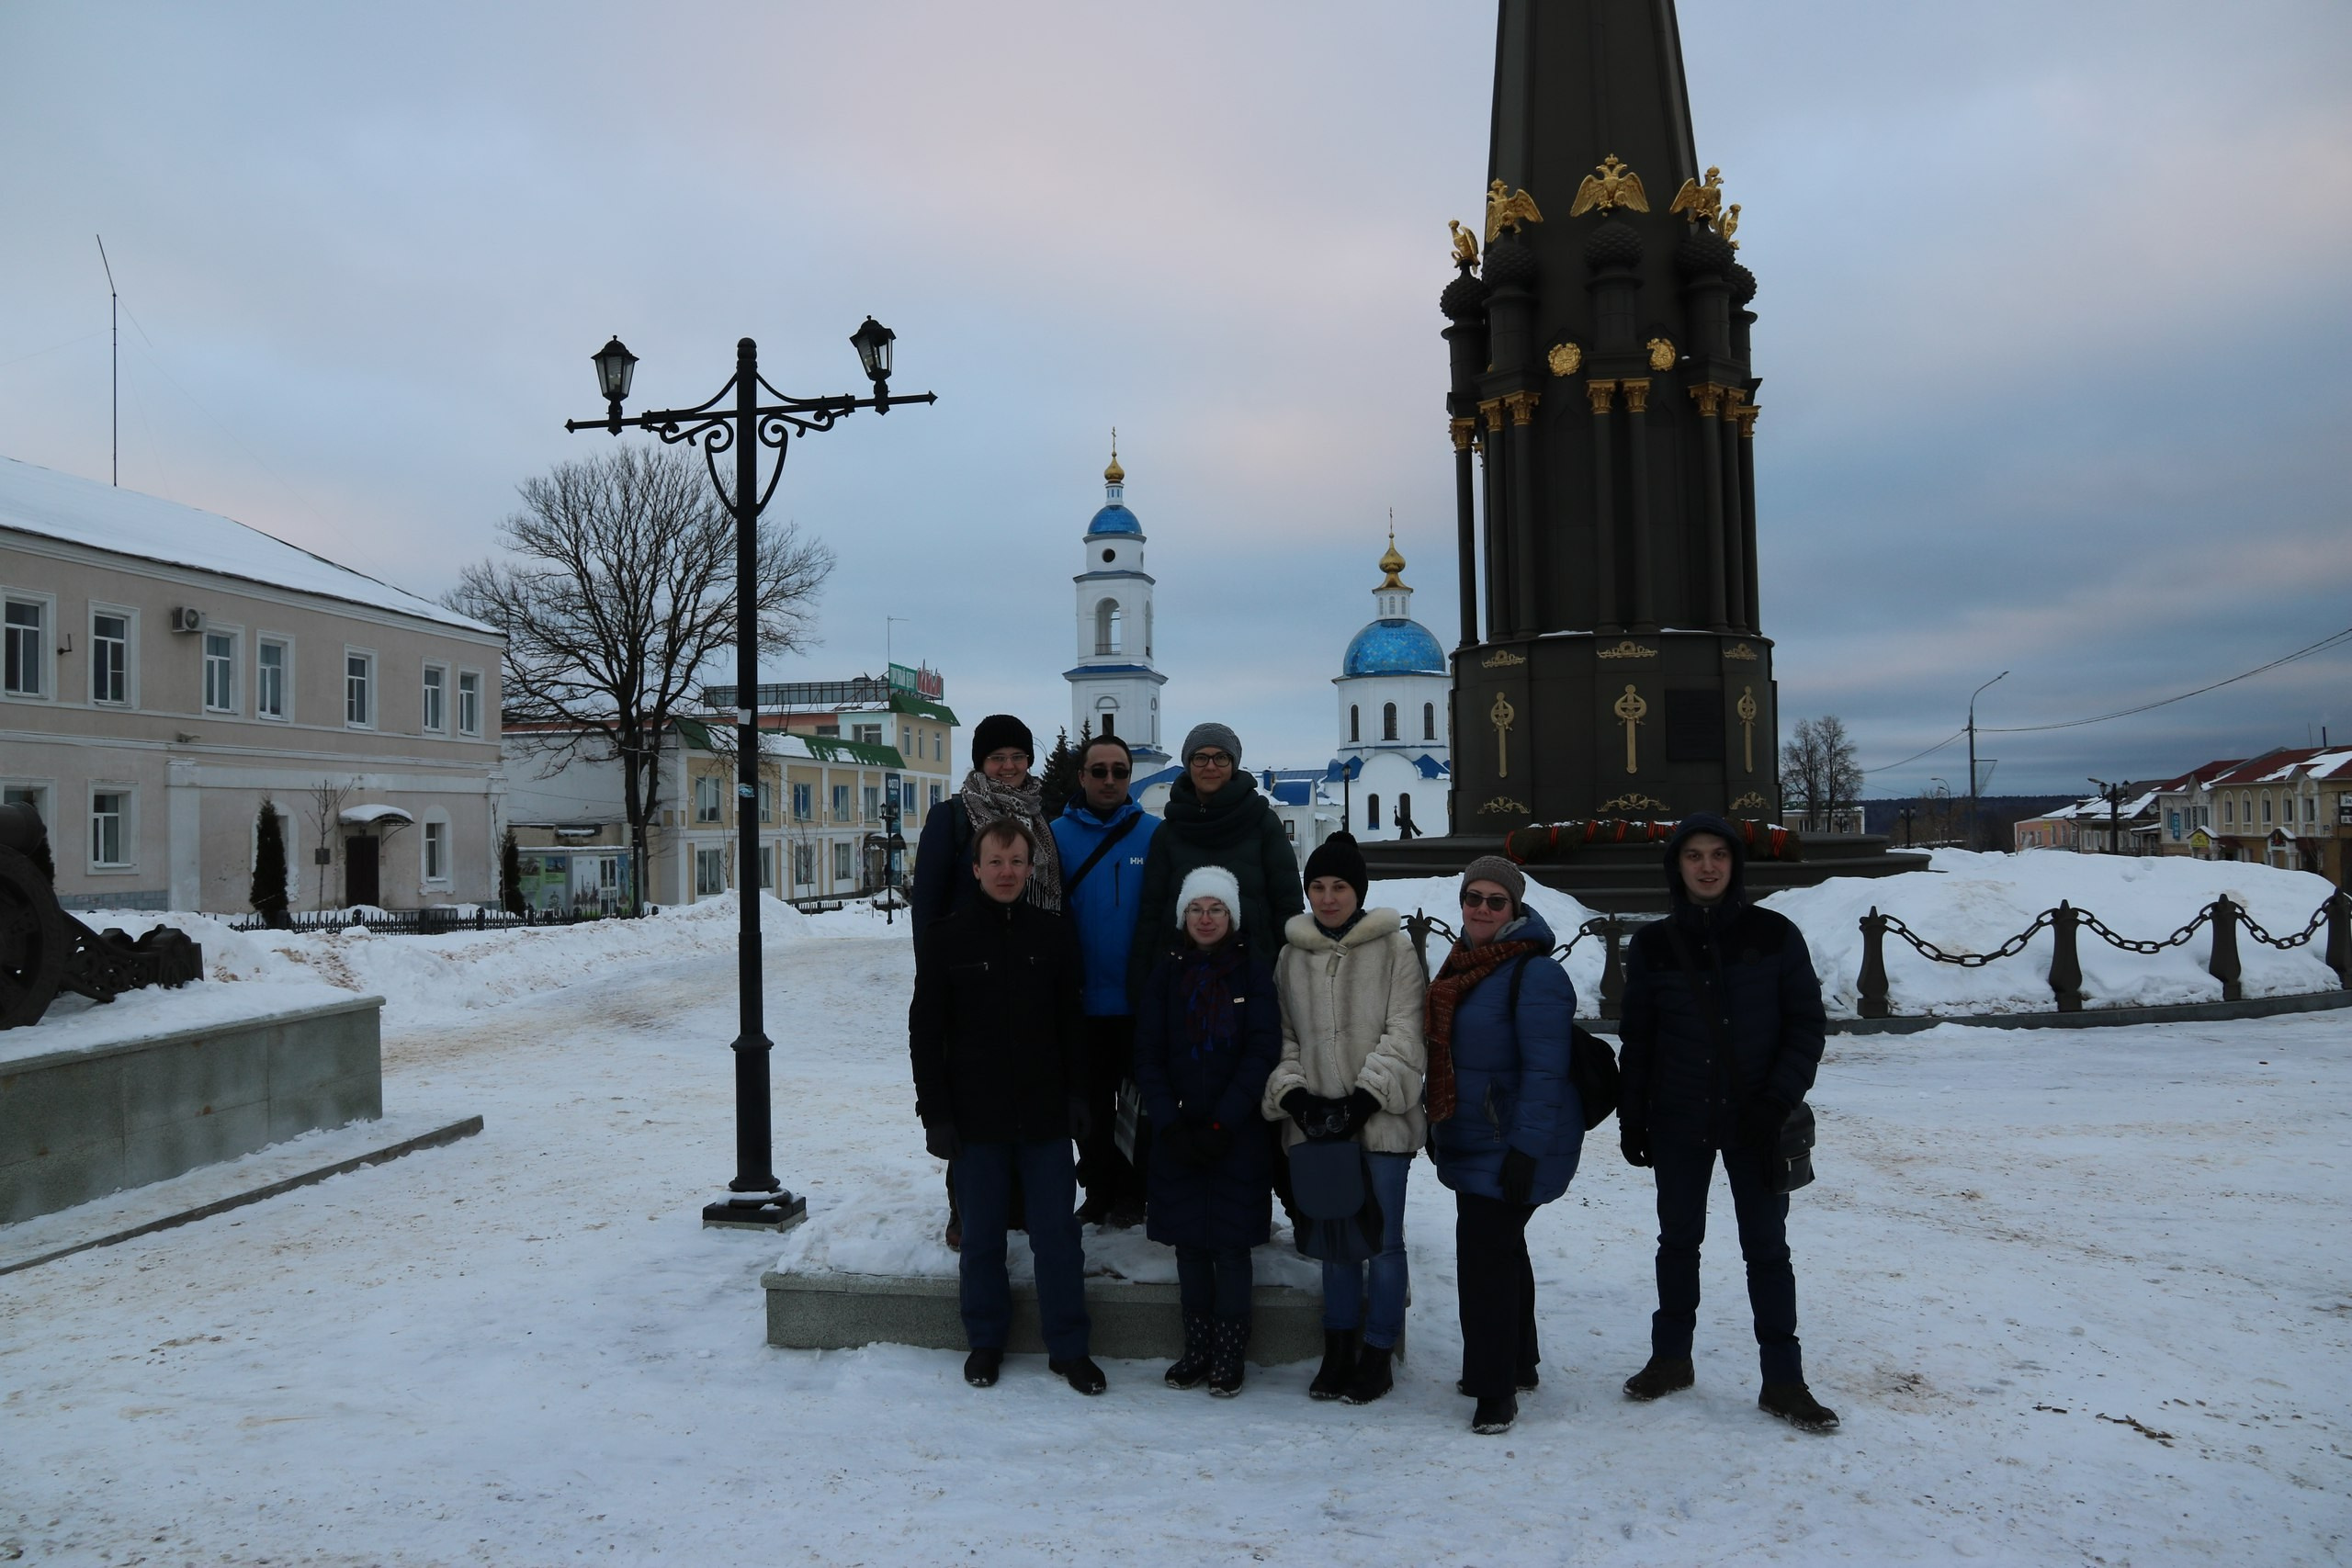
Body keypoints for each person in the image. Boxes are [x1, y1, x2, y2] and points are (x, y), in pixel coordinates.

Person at [1617, 813, 1837, 1433]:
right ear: (1677, 865)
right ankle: (1670, 1357)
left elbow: (1805, 1026)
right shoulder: (1654, 946)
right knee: (1677, 1241)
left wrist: (1776, 1101)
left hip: (1756, 1122)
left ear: (1735, 864)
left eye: (1718, 854)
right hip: (1680, 1118)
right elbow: (1640, 1039)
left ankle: (1784, 1379)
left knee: (1767, 1249)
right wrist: (1634, 1116)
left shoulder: (1774, 936)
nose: (1707, 866)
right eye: (1694, 855)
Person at [907, 818, 1104, 1395]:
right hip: (976, 1121)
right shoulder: (947, 937)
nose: (1006, 872)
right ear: (975, 869)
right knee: (984, 1238)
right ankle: (985, 1342)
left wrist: (1078, 1097)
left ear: (1031, 867)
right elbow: (925, 1034)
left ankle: (1068, 1348)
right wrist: (936, 1115)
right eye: (995, 861)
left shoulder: (1053, 933)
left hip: (1045, 1117)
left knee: (1057, 1239)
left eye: (1017, 861)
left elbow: (1073, 1024)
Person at [1263, 831, 1426, 1404]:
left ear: (1359, 891)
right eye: (1318, 887)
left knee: (1383, 1242)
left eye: (1339, 887)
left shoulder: (1394, 949)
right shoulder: (1292, 954)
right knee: (1335, 1242)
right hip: (1317, 1127)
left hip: (1380, 1123)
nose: (1328, 898)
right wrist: (1299, 1098)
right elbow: (1281, 1036)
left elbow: (1406, 1032)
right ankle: (1337, 1350)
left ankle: (1378, 1351)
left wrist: (1363, 1099)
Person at [1424, 856, 1582, 1436]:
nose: (1482, 909)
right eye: (1473, 898)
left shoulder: (1532, 972)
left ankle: (1493, 1390)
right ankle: (1518, 1363)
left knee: (1484, 1258)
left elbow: (1547, 1071)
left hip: (1507, 1139)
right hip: (1472, 1133)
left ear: (1516, 908)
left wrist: (1526, 1149)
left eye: (1496, 901)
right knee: (1503, 1248)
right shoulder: (1467, 962)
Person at [910, 714, 1062, 1249]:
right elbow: (925, 900)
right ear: (980, 763)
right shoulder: (952, 817)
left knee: (1021, 1093)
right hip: (964, 976)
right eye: (997, 758)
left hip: (1027, 967)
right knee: (970, 1099)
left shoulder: (1045, 815)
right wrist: (933, 971)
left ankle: (1018, 1205)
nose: (1009, 767)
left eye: (1018, 757)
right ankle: (964, 1209)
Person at [1133, 866, 1283, 1397]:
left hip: (1234, 1134)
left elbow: (1264, 1049)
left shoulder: (1252, 972)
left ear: (1231, 916)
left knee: (1230, 1247)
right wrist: (1169, 1123)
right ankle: (1196, 1347)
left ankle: (1228, 1352)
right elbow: (1147, 1054)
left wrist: (1225, 1119)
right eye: (1196, 908)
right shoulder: (1166, 973)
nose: (1205, 918)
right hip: (1178, 1131)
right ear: (1183, 915)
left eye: (1216, 908)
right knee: (1189, 1246)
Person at [1049, 731, 1160, 1225]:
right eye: (1100, 770)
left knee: (1138, 1105)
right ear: (1082, 777)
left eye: (1119, 771)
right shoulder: (1054, 835)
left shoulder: (1153, 835)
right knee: (1090, 1107)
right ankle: (1097, 1189)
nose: (1110, 779)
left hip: (1138, 1003)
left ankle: (1135, 1192)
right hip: (1081, 1003)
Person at [1126, 723, 1302, 998]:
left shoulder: (1262, 823)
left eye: (1221, 757)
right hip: (1183, 979)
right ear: (1188, 764)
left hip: (1253, 975)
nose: (1211, 766)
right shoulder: (1169, 831)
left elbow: (1287, 905)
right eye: (1201, 757)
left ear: (1234, 764)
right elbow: (1152, 912)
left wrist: (1290, 974)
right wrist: (1142, 983)